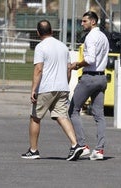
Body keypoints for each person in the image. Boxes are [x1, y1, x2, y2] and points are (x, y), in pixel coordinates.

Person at [21, 20, 83, 161]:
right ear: (52, 31)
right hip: (62, 87)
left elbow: (38, 69)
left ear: (38, 33)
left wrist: (33, 89)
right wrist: (65, 85)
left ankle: (33, 150)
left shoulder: (40, 47)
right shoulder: (63, 47)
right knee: (62, 116)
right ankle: (75, 144)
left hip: (46, 88)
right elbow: (68, 69)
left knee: (35, 118)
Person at [69, 11, 109, 160]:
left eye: (84, 21)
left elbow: (90, 59)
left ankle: (82, 145)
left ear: (93, 22)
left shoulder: (91, 37)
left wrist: (77, 65)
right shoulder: (103, 36)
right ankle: (99, 150)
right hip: (101, 77)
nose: (82, 23)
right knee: (99, 115)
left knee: (73, 110)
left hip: (90, 77)